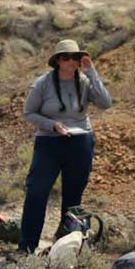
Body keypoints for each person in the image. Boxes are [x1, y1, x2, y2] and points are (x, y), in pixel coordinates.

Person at [19, 39, 112, 253]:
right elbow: (28, 113)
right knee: (37, 193)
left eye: (75, 57)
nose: (71, 61)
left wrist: (92, 73)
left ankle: (66, 246)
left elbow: (106, 104)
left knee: (73, 197)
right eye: (65, 57)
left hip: (80, 141)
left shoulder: (85, 81)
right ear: (58, 61)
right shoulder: (43, 83)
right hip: (49, 141)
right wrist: (52, 125)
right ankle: (26, 246)